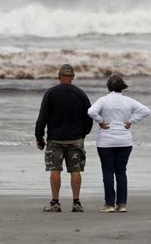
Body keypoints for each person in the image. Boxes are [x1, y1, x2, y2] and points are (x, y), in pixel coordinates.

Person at [88, 74, 151, 213]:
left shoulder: (103, 100)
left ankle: (109, 204)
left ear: (108, 86)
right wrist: (131, 121)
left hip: (106, 141)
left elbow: (91, 111)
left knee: (108, 172)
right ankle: (122, 204)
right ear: (122, 87)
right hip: (124, 140)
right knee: (121, 172)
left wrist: (100, 121)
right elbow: (146, 111)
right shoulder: (128, 101)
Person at [35, 64, 93, 212]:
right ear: (72, 77)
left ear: (59, 76)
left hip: (55, 140)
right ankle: (76, 203)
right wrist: (83, 134)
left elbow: (42, 117)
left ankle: (55, 203)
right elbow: (89, 117)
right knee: (75, 170)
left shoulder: (51, 93)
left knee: (55, 169)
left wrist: (39, 137)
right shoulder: (80, 94)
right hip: (75, 139)